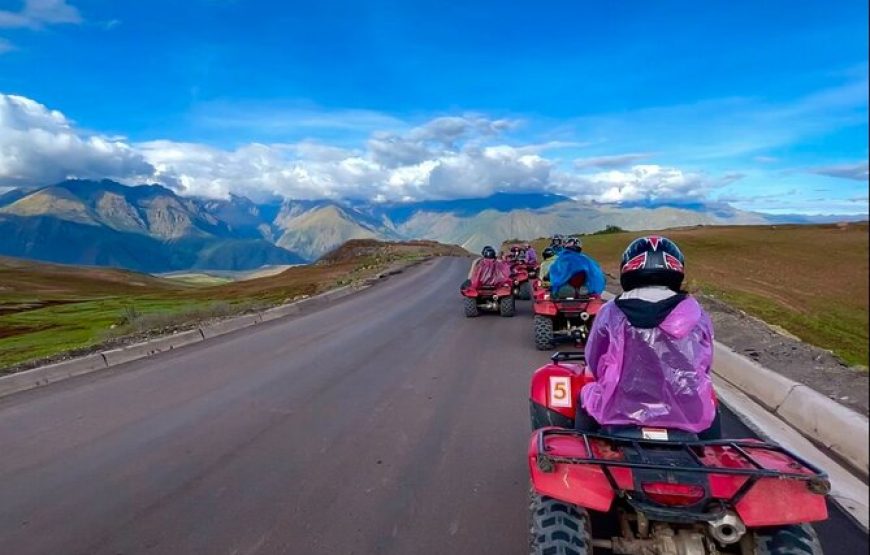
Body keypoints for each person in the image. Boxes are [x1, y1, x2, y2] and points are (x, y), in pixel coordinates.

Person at [577, 236, 719, 438]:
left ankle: (583, 456)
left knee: (584, 397)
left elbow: (593, 359)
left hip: (619, 411)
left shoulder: (611, 312)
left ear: (628, 270)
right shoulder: (696, 313)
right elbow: (705, 363)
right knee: (710, 413)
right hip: (686, 415)